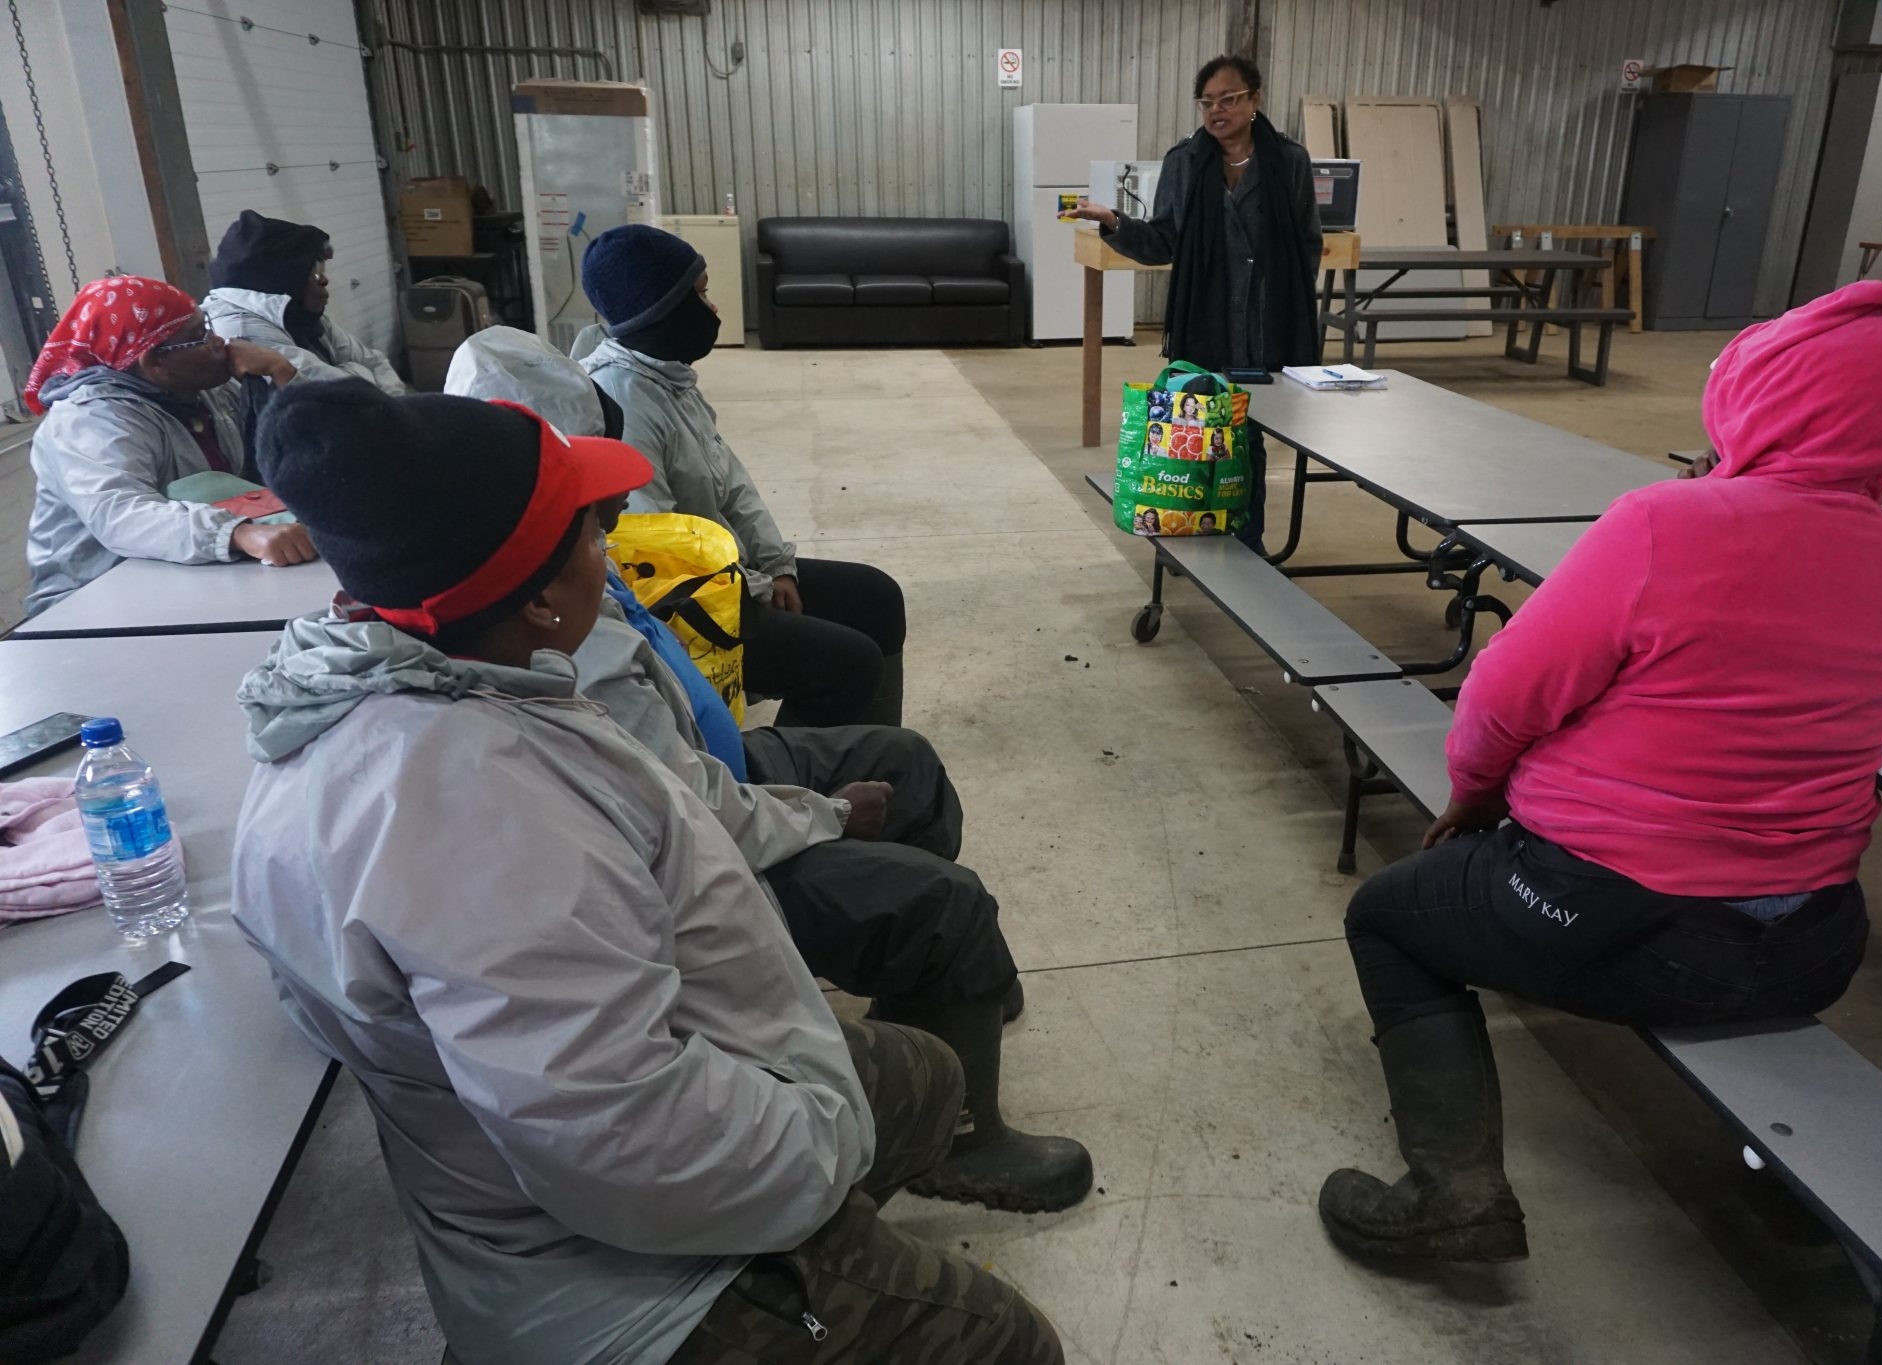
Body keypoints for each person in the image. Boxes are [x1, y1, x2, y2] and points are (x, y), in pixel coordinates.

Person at [232, 379, 1066, 1365]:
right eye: (589, 536)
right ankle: (794, 1277)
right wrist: (813, 1142)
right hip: (608, 1277)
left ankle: (820, 1229)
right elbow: (625, 1146)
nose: (608, 554)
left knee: (922, 1079)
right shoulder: (479, 820)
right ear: (542, 599)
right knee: (1006, 1340)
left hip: (611, 1124)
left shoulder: (418, 679)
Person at [1318, 281, 1882, 1267]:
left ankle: (1453, 1193)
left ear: (1757, 397)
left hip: (1627, 924)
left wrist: (1473, 797)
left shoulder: (1666, 524)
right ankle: (1782, 1185)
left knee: (1390, 916)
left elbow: (1501, 699)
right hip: (1813, 940)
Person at [443, 327, 1094, 1212]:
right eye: (587, 513)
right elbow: (687, 817)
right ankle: (952, 1136)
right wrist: (825, 812)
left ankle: (940, 1005)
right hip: (700, 858)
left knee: (908, 762)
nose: (615, 516)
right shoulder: (567, 651)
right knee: (947, 902)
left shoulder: (559, 594)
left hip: (714, 771)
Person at [577, 224, 908, 727]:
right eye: (701, 295)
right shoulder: (624, 400)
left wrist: (777, 566)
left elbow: (732, 486)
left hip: (728, 575)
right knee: (847, 664)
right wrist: (754, 589)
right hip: (685, 608)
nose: (713, 311)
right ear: (660, 307)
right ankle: (803, 784)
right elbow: (657, 557)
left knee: (875, 597)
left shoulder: (669, 378)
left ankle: (878, 760)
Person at [1063, 54, 1322, 553]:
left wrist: (1283, 303)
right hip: (1205, 323)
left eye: (1229, 99)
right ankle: (1196, 531)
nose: (1216, 111)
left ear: (1255, 100)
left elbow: (1306, 244)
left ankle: (1249, 545)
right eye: (1207, 102)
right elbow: (1164, 241)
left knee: (1248, 436)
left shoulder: (1289, 161)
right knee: (1195, 430)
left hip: (1266, 325)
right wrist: (1112, 219)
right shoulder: (1184, 161)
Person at [20, 276, 312, 617]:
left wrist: (281, 373)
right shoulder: (90, 420)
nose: (219, 342)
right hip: (88, 600)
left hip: (186, 577)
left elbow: (299, 448)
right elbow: (121, 515)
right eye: (199, 336)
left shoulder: (205, 391)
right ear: (154, 360)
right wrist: (237, 534)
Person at [202, 210, 406, 393]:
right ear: (284, 276)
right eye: (314, 271)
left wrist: (392, 406)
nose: (324, 280)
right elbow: (337, 397)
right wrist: (360, 376)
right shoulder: (242, 329)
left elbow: (373, 361)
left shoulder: (296, 314)